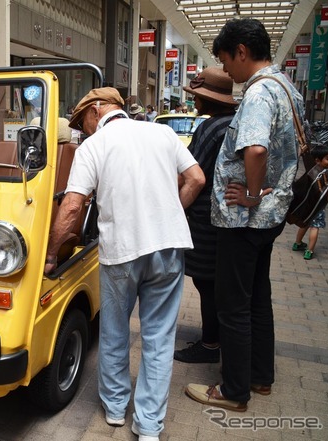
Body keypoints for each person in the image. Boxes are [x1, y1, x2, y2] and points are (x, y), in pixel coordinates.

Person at [44, 87, 204, 440]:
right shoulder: (162, 133)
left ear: (97, 110)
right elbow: (196, 178)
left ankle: (116, 408)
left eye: (82, 121)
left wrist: (52, 253)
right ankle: (149, 427)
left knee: (115, 332)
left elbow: (72, 206)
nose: (83, 130)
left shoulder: (94, 146)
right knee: (159, 338)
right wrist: (170, 213)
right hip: (168, 247)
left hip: (122, 252)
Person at [185, 18, 304, 412]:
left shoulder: (257, 93)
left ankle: (233, 391)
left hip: (244, 219)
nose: (228, 72)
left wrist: (251, 195)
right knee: (257, 299)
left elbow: (255, 149)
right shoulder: (287, 88)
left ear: (241, 51)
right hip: (269, 218)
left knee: (232, 303)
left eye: (225, 61)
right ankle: (260, 376)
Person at [174, 67, 238, 364]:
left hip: (205, 216)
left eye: (197, 95)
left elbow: (194, 176)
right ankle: (216, 338)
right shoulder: (234, 123)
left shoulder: (210, 128)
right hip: (227, 215)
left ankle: (211, 344)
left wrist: (175, 208)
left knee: (206, 282)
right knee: (215, 282)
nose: (194, 100)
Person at [291, 142, 328, 260]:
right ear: (317, 160)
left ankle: (297, 243)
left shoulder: (311, 171)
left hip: (307, 205)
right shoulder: (326, 174)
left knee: (304, 223)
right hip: (318, 206)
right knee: (315, 227)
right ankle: (309, 250)